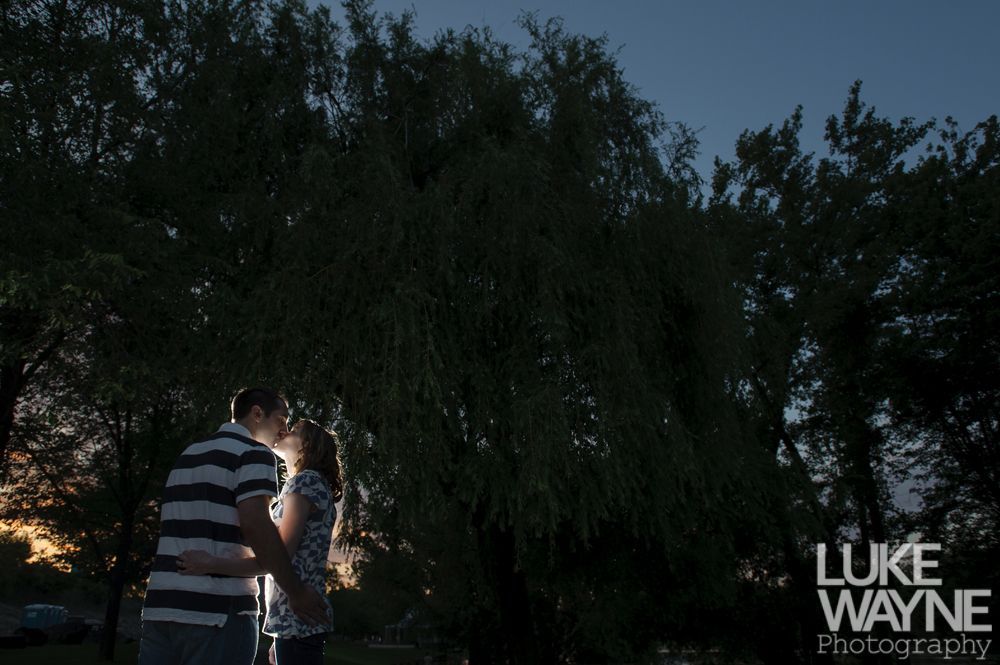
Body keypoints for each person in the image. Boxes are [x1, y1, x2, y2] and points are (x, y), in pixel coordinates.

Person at [138, 388, 328, 665]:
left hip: (161, 608)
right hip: (218, 611)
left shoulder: (188, 455)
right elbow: (256, 526)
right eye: (282, 419)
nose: (284, 430)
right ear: (257, 413)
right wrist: (296, 592)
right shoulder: (253, 454)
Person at [177, 418, 343, 665]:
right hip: (296, 621)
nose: (285, 431)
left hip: (298, 618)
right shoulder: (310, 484)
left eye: (294, 430)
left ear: (308, 445)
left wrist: (211, 563)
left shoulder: (305, 482)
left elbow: (277, 557)